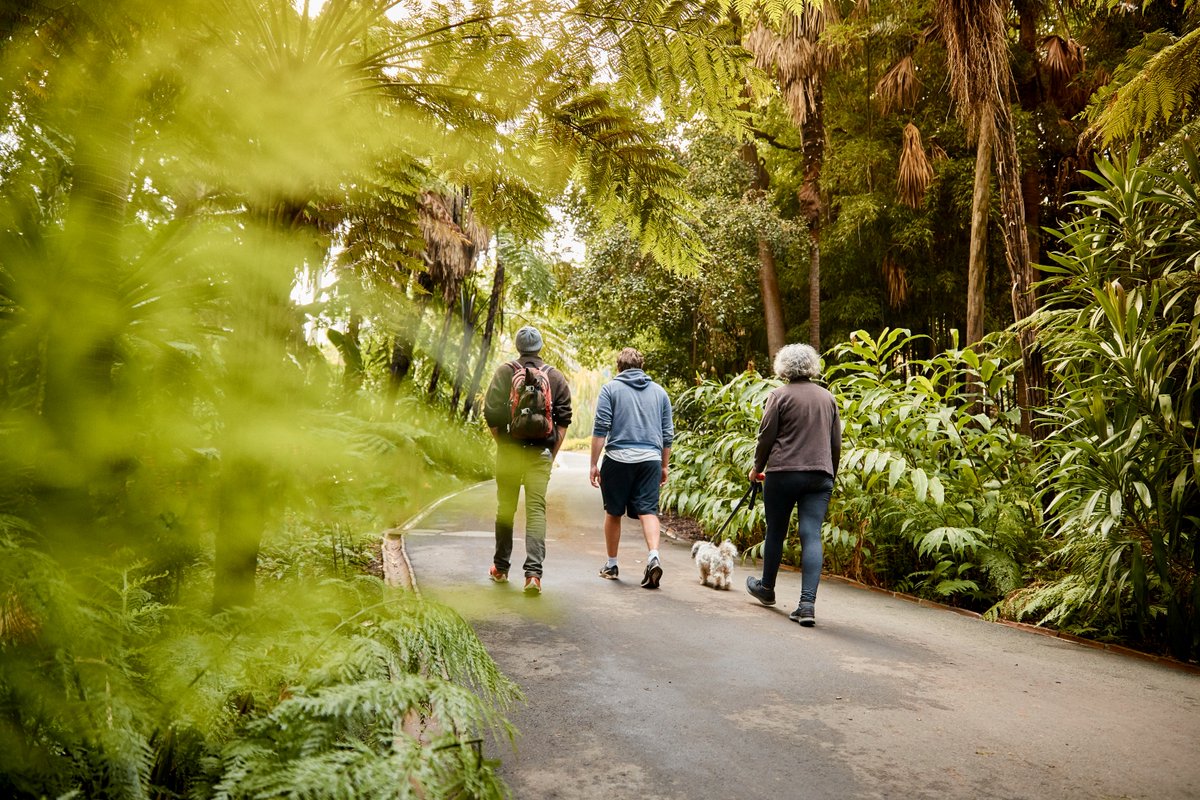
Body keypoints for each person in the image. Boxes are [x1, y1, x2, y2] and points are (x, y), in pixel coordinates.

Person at [744, 343, 841, 626]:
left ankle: (767, 588)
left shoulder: (779, 395)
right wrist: (830, 473)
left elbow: (766, 437)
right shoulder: (828, 398)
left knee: (776, 530)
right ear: (812, 366)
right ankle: (807, 605)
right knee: (811, 534)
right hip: (820, 475)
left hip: (784, 473)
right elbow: (836, 443)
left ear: (783, 367)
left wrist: (756, 469)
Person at [483, 325, 572, 594]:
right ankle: (533, 575)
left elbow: (491, 415)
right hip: (540, 453)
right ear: (540, 347)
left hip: (509, 454)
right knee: (535, 511)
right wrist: (551, 453)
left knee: (505, 509)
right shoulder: (554, 377)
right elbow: (564, 419)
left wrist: (505, 446)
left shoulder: (504, 372)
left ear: (518, 346)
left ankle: (500, 568)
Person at [589, 348, 674, 589]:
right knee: (648, 511)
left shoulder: (610, 389)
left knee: (613, 512)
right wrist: (664, 466)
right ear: (641, 367)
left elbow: (601, 429)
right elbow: (667, 434)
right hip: (650, 459)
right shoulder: (659, 393)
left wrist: (594, 464)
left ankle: (612, 564)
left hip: (618, 459)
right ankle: (653, 556)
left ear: (619, 367)